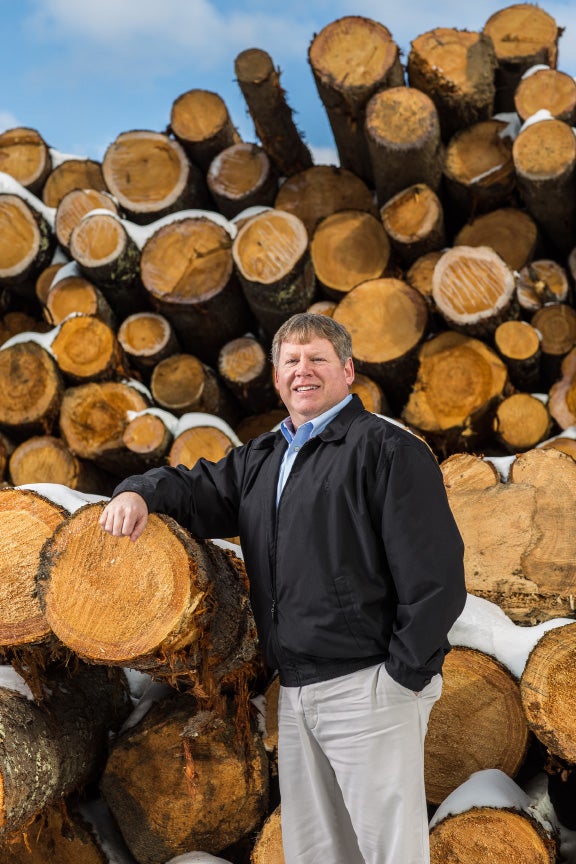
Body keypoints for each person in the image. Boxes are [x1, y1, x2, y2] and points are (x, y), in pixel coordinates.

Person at [100, 312, 466, 864]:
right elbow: (194, 489)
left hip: (369, 686)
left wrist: (402, 677)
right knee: (316, 853)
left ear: (348, 370)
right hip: (294, 692)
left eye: (318, 358)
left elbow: (436, 576)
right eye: (291, 361)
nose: (303, 371)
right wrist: (137, 492)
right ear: (275, 377)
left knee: (391, 853)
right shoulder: (265, 459)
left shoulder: (386, 449)